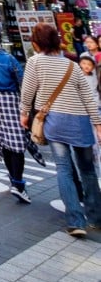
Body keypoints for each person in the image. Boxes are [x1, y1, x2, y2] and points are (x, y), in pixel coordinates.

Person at [20, 23, 101, 237]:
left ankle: (76, 221)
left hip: (56, 122)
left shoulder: (35, 62)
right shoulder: (73, 65)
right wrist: (98, 124)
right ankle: (96, 218)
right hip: (80, 123)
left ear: (37, 43)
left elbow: (27, 91)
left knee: (63, 169)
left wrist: (24, 113)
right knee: (88, 171)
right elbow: (87, 98)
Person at [0, 28, 45, 204]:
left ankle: (14, 180)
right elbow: (22, 80)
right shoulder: (8, 58)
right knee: (17, 141)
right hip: (10, 100)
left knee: (3, 139)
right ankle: (18, 184)